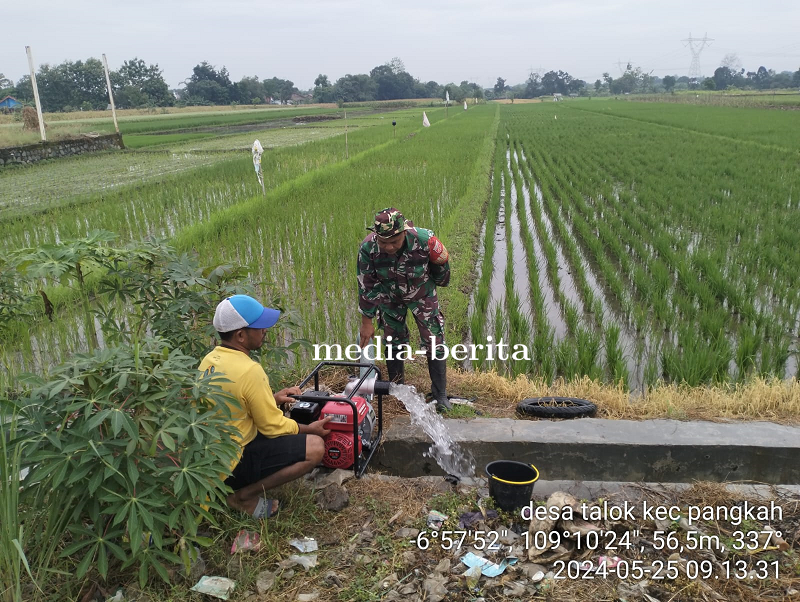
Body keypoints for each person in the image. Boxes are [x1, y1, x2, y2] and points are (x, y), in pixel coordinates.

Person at [199, 294, 332, 518]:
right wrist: (312, 429)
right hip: (232, 462)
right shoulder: (250, 370)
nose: (264, 331)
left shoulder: (210, 360)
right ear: (241, 335)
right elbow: (272, 427)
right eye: (259, 327)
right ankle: (242, 497)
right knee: (316, 447)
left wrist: (271, 398)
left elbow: (235, 400)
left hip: (213, 456)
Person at [357, 208, 452, 410]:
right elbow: (366, 285)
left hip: (421, 292)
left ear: (404, 232)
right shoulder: (368, 248)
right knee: (393, 339)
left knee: (434, 338)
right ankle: (397, 389)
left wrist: (438, 283)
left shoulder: (426, 240)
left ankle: (440, 395)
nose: (389, 247)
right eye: (383, 242)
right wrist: (367, 321)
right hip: (389, 295)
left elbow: (442, 268)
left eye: (394, 241)